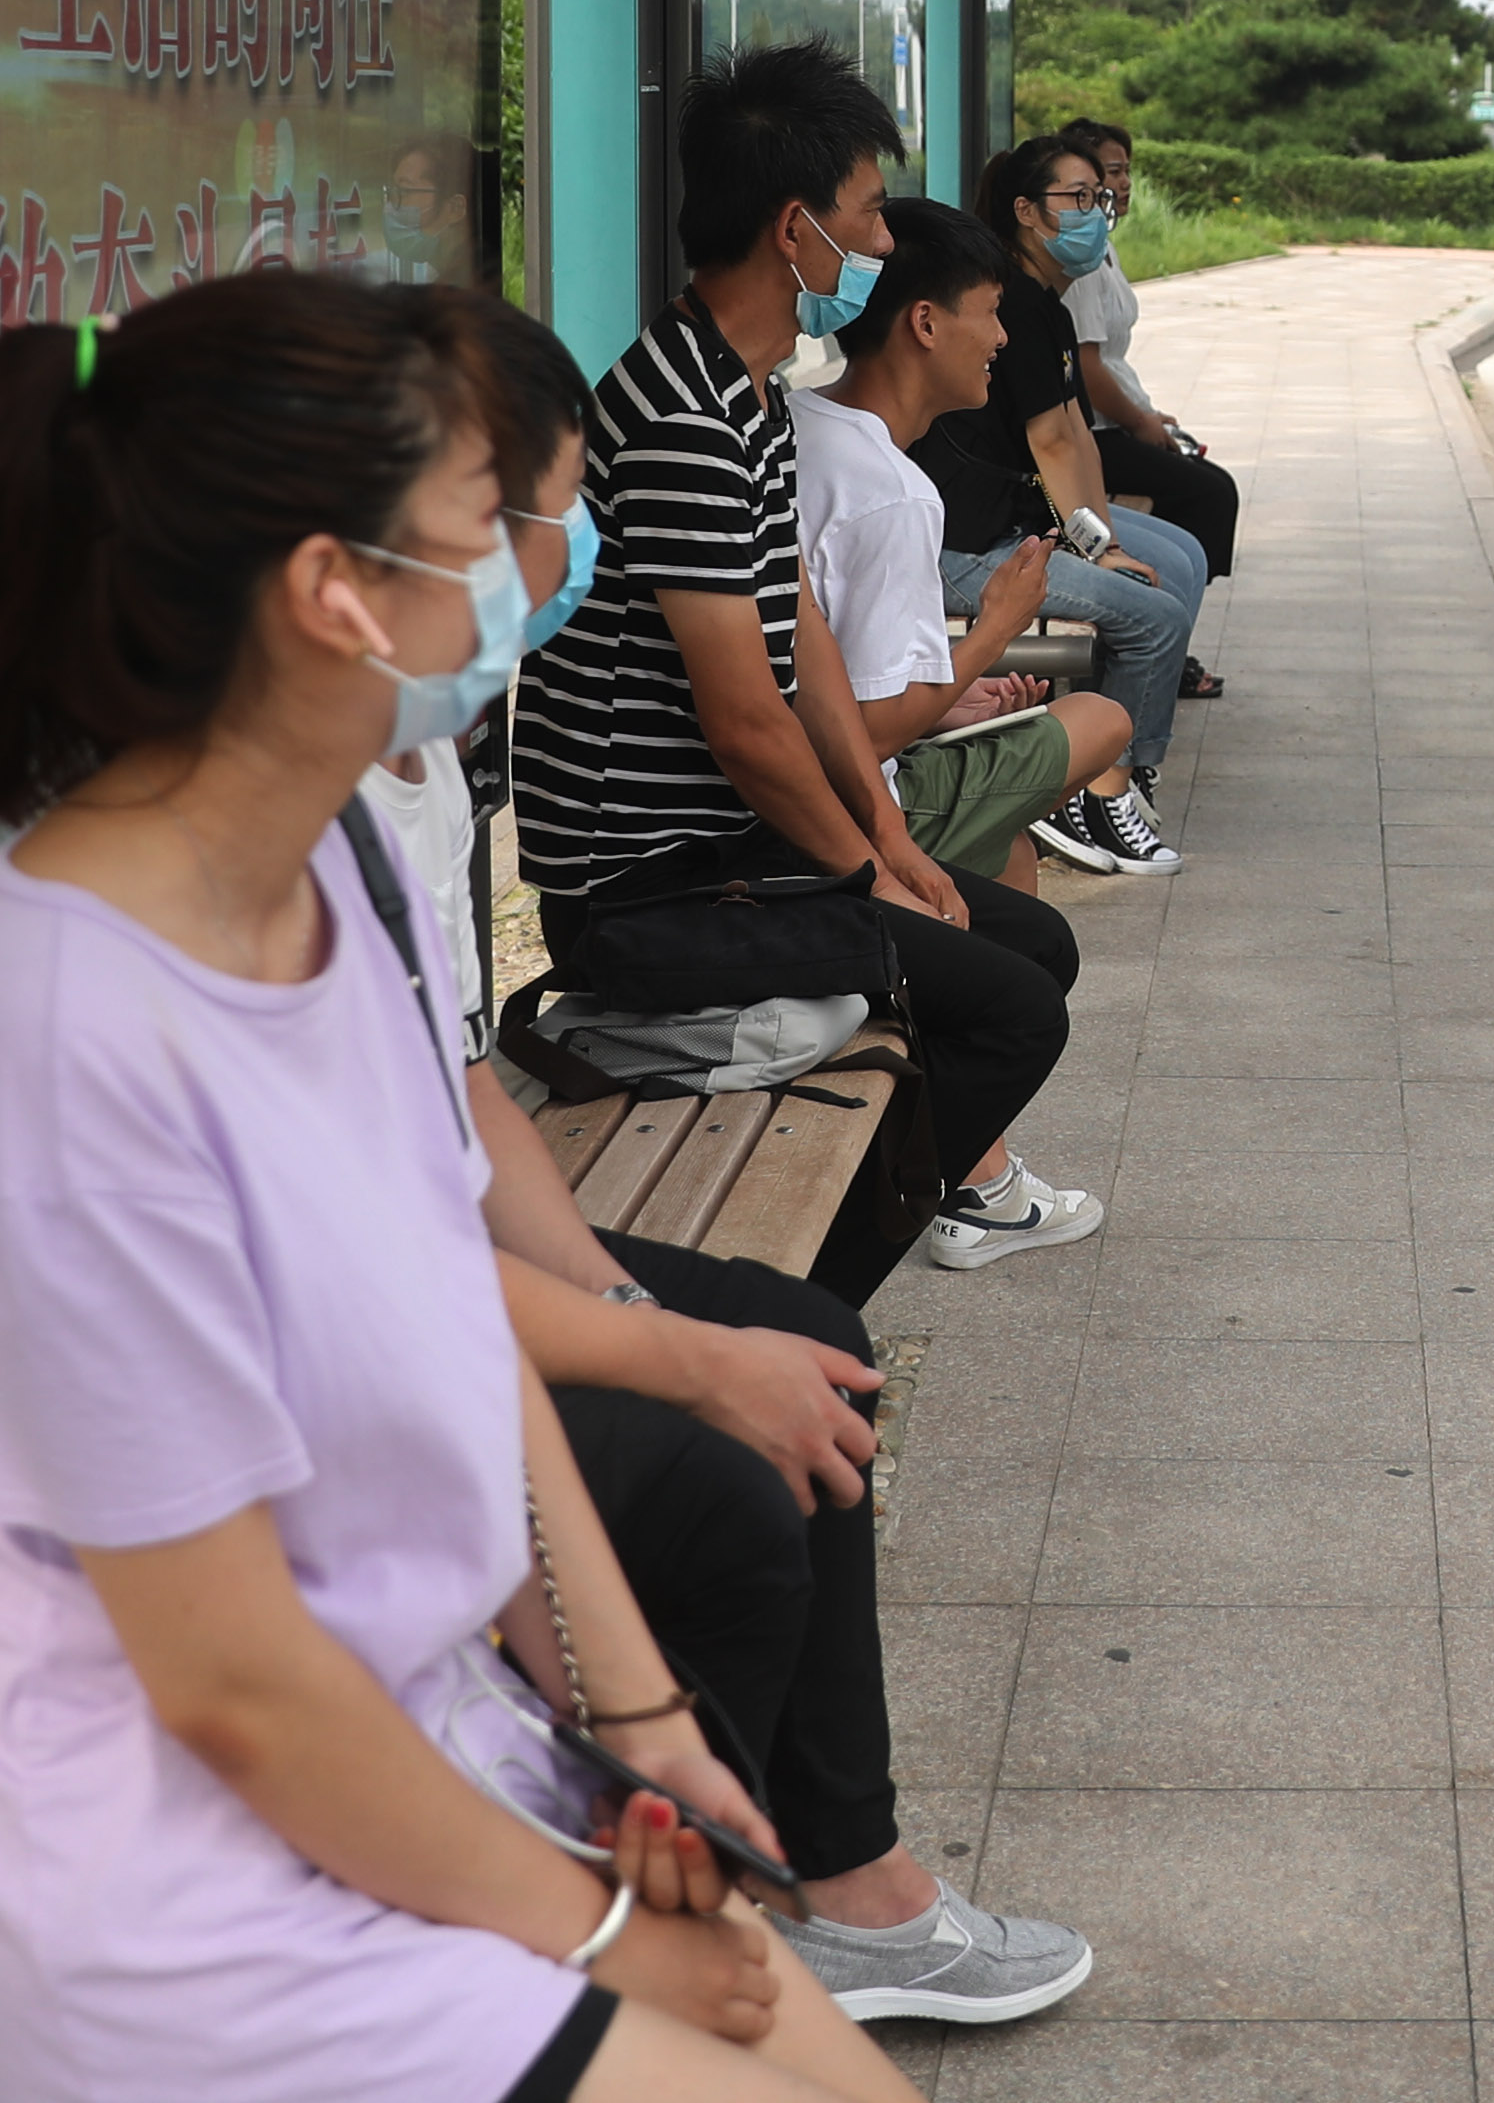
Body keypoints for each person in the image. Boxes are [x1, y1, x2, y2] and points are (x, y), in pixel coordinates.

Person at [0, 268, 909, 2103]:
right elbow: (238, 1692)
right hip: (217, 1946)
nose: (524, 576)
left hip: (440, 1782)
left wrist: (640, 1728)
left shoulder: (325, 879)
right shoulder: (57, 1046)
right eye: (481, 525)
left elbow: (450, 1313)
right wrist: (600, 1923)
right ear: (335, 593)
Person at [402, 287, 1096, 2020]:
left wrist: (640, 1312)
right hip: (397, 1318)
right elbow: (354, 1272)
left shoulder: (391, 772)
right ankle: (780, 1884)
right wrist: (671, 1354)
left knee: (803, 1347)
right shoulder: (183, 900)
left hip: (428, 1298)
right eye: (529, 517)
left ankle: (805, 1874)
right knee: (748, 1437)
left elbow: (450, 1094)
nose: (564, 559)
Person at [507, 42, 1102, 1288]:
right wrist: (867, 877)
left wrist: (886, 846)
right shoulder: (682, 419)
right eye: (869, 214)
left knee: (1029, 951)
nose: (883, 241)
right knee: (1009, 1004)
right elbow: (744, 722)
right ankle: (802, 1306)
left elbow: (804, 638)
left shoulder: (749, 392)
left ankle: (821, 1273)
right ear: (795, 231)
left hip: (728, 863)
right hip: (646, 899)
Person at [794, 204, 1140, 899]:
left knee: (1008, 851)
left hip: (808, 776)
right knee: (1103, 720)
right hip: (848, 807)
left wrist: (948, 699)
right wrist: (994, 632)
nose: (1002, 337)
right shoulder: (895, 494)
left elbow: (841, 680)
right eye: (990, 312)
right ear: (925, 324)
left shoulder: (799, 417)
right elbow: (868, 735)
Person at [922, 136, 1208, 876]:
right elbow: (1051, 442)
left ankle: (1122, 771)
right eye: (1077, 198)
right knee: (1155, 615)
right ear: (1025, 211)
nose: (1095, 212)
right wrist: (1097, 549)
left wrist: (1103, 538)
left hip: (1013, 524)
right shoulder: (1017, 302)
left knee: (1177, 565)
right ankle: (1100, 788)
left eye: (1098, 197)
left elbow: (1075, 433)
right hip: (970, 545)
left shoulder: (1044, 304)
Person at [1052, 123, 1240, 598]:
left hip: (1113, 422)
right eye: (1111, 173)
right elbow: (1087, 368)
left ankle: (1177, 596)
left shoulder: (1102, 247)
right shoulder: (1077, 263)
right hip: (1097, 430)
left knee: (1210, 483)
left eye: (1124, 173)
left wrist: (1148, 416)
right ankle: (1166, 601)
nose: (1122, 185)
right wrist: (1140, 423)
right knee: (1208, 494)